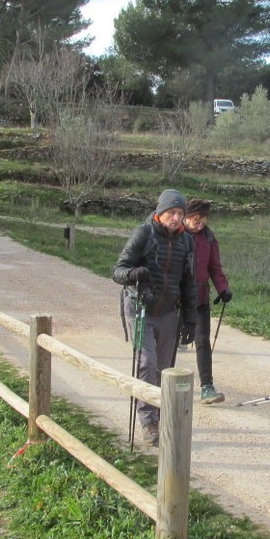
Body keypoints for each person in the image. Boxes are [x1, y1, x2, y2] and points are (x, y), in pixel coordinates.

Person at [113, 189, 197, 445]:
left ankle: (161, 417)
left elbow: (189, 282)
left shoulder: (185, 241)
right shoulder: (144, 233)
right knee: (147, 363)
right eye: (172, 212)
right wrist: (135, 273)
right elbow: (118, 270)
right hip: (139, 307)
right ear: (160, 213)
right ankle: (148, 421)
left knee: (163, 368)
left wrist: (190, 319)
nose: (176, 218)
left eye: (181, 213)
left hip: (169, 310)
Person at [183, 199, 232, 404]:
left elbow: (215, 268)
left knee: (203, 341)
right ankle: (158, 386)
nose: (200, 224)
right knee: (168, 343)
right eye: (196, 219)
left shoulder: (209, 238)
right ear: (186, 217)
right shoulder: (177, 236)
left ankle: (207, 387)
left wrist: (223, 288)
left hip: (201, 298)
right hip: (178, 299)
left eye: (202, 220)